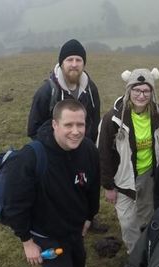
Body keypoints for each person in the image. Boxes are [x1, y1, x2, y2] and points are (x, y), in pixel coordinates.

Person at [3, 99, 109, 267]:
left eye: (80, 124)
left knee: (79, 259)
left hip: (74, 228)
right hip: (45, 235)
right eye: (68, 125)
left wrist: (88, 217)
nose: (75, 131)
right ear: (54, 125)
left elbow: (92, 187)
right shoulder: (30, 157)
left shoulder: (88, 151)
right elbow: (15, 205)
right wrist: (27, 241)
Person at [27, 38, 107, 233]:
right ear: (61, 63)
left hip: (84, 149)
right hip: (56, 153)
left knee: (86, 185)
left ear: (84, 63)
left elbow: (94, 119)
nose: (74, 64)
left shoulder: (90, 88)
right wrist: (54, 146)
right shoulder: (47, 91)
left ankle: (88, 216)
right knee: (61, 189)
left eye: (78, 60)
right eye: (69, 59)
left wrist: (88, 144)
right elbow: (33, 128)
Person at [97, 68, 159, 257]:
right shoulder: (112, 118)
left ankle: (148, 251)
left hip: (149, 176)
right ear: (129, 91)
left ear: (152, 92)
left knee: (146, 216)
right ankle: (134, 255)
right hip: (123, 180)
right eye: (136, 90)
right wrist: (108, 186)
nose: (141, 95)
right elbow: (103, 153)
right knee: (128, 222)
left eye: (146, 90)